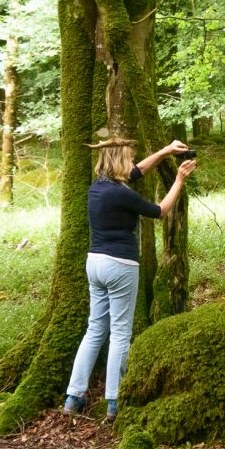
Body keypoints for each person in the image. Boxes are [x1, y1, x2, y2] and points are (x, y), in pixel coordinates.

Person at [63, 136, 196, 420]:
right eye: (129, 158)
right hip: (120, 264)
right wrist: (180, 179)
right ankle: (114, 399)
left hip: (95, 263)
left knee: (95, 329)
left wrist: (165, 151)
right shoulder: (121, 194)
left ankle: (74, 396)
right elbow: (160, 211)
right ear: (120, 160)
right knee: (121, 333)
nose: (132, 164)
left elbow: (136, 173)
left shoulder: (98, 187)